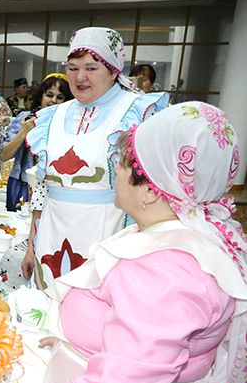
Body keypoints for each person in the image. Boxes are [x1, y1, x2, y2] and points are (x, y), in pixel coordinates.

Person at [0, 101, 247, 383]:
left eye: (123, 165)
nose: (115, 172)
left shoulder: (170, 268)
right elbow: (138, 331)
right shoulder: (170, 236)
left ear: (151, 190)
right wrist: (73, 343)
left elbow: (131, 374)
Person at [22, 27, 169, 290]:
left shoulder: (136, 112)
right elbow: (43, 189)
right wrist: (31, 246)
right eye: (73, 67)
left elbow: (154, 189)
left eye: (91, 68)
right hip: (51, 234)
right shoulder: (53, 116)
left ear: (113, 70)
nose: (79, 77)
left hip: (107, 233)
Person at [0, 73, 73, 211]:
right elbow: (3, 156)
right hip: (23, 185)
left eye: (60, 97)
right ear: (41, 96)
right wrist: (23, 131)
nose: (54, 100)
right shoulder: (24, 119)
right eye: (49, 95)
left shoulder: (71, 126)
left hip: (56, 189)